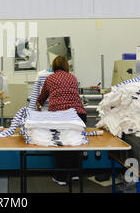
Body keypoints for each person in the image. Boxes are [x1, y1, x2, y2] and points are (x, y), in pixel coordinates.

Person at [36, 55, 86, 186]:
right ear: (66, 66)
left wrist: (38, 105)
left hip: (60, 115)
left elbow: (41, 97)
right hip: (78, 114)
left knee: (61, 145)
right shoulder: (73, 78)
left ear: (53, 66)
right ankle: (75, 174)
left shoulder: (50, 78)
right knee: (75, 144)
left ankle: (61, 177)